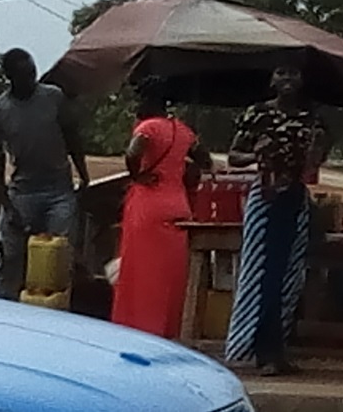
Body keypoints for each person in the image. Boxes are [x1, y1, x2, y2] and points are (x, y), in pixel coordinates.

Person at [225, 65, 329, 376]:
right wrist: (258, 155)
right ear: (271, 80)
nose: (288, 79)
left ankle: (276, 350)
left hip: (295, 198)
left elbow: (313, 165)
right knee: (260, 274)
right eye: (282, 73)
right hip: (265, 196)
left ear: (302, 81)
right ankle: (255, 348)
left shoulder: (311, 119)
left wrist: (318, 150)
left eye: (294, 74)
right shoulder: (257, 114)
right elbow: (233, 156)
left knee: (287, 277)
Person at [0, 48, 90, 300]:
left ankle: (56, 311)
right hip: (22, 192)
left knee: (59, 257)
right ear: (11, 78)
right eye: (25, 75)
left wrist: (84, 175)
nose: (31, 79)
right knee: (9, 259)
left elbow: (72, 136)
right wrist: (7, 204)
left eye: (33, 73)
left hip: (59, 190)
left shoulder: (53, 97)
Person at [111, 76, 212, 338]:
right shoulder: (183, 131)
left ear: (147, 100)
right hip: (178, 204)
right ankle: (168, 329)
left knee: (141, 272)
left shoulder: (149, 128)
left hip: (148, 204)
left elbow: (133, 152)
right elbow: (205, 160)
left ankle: (137, 327)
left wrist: (137, 176)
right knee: (171, 275)